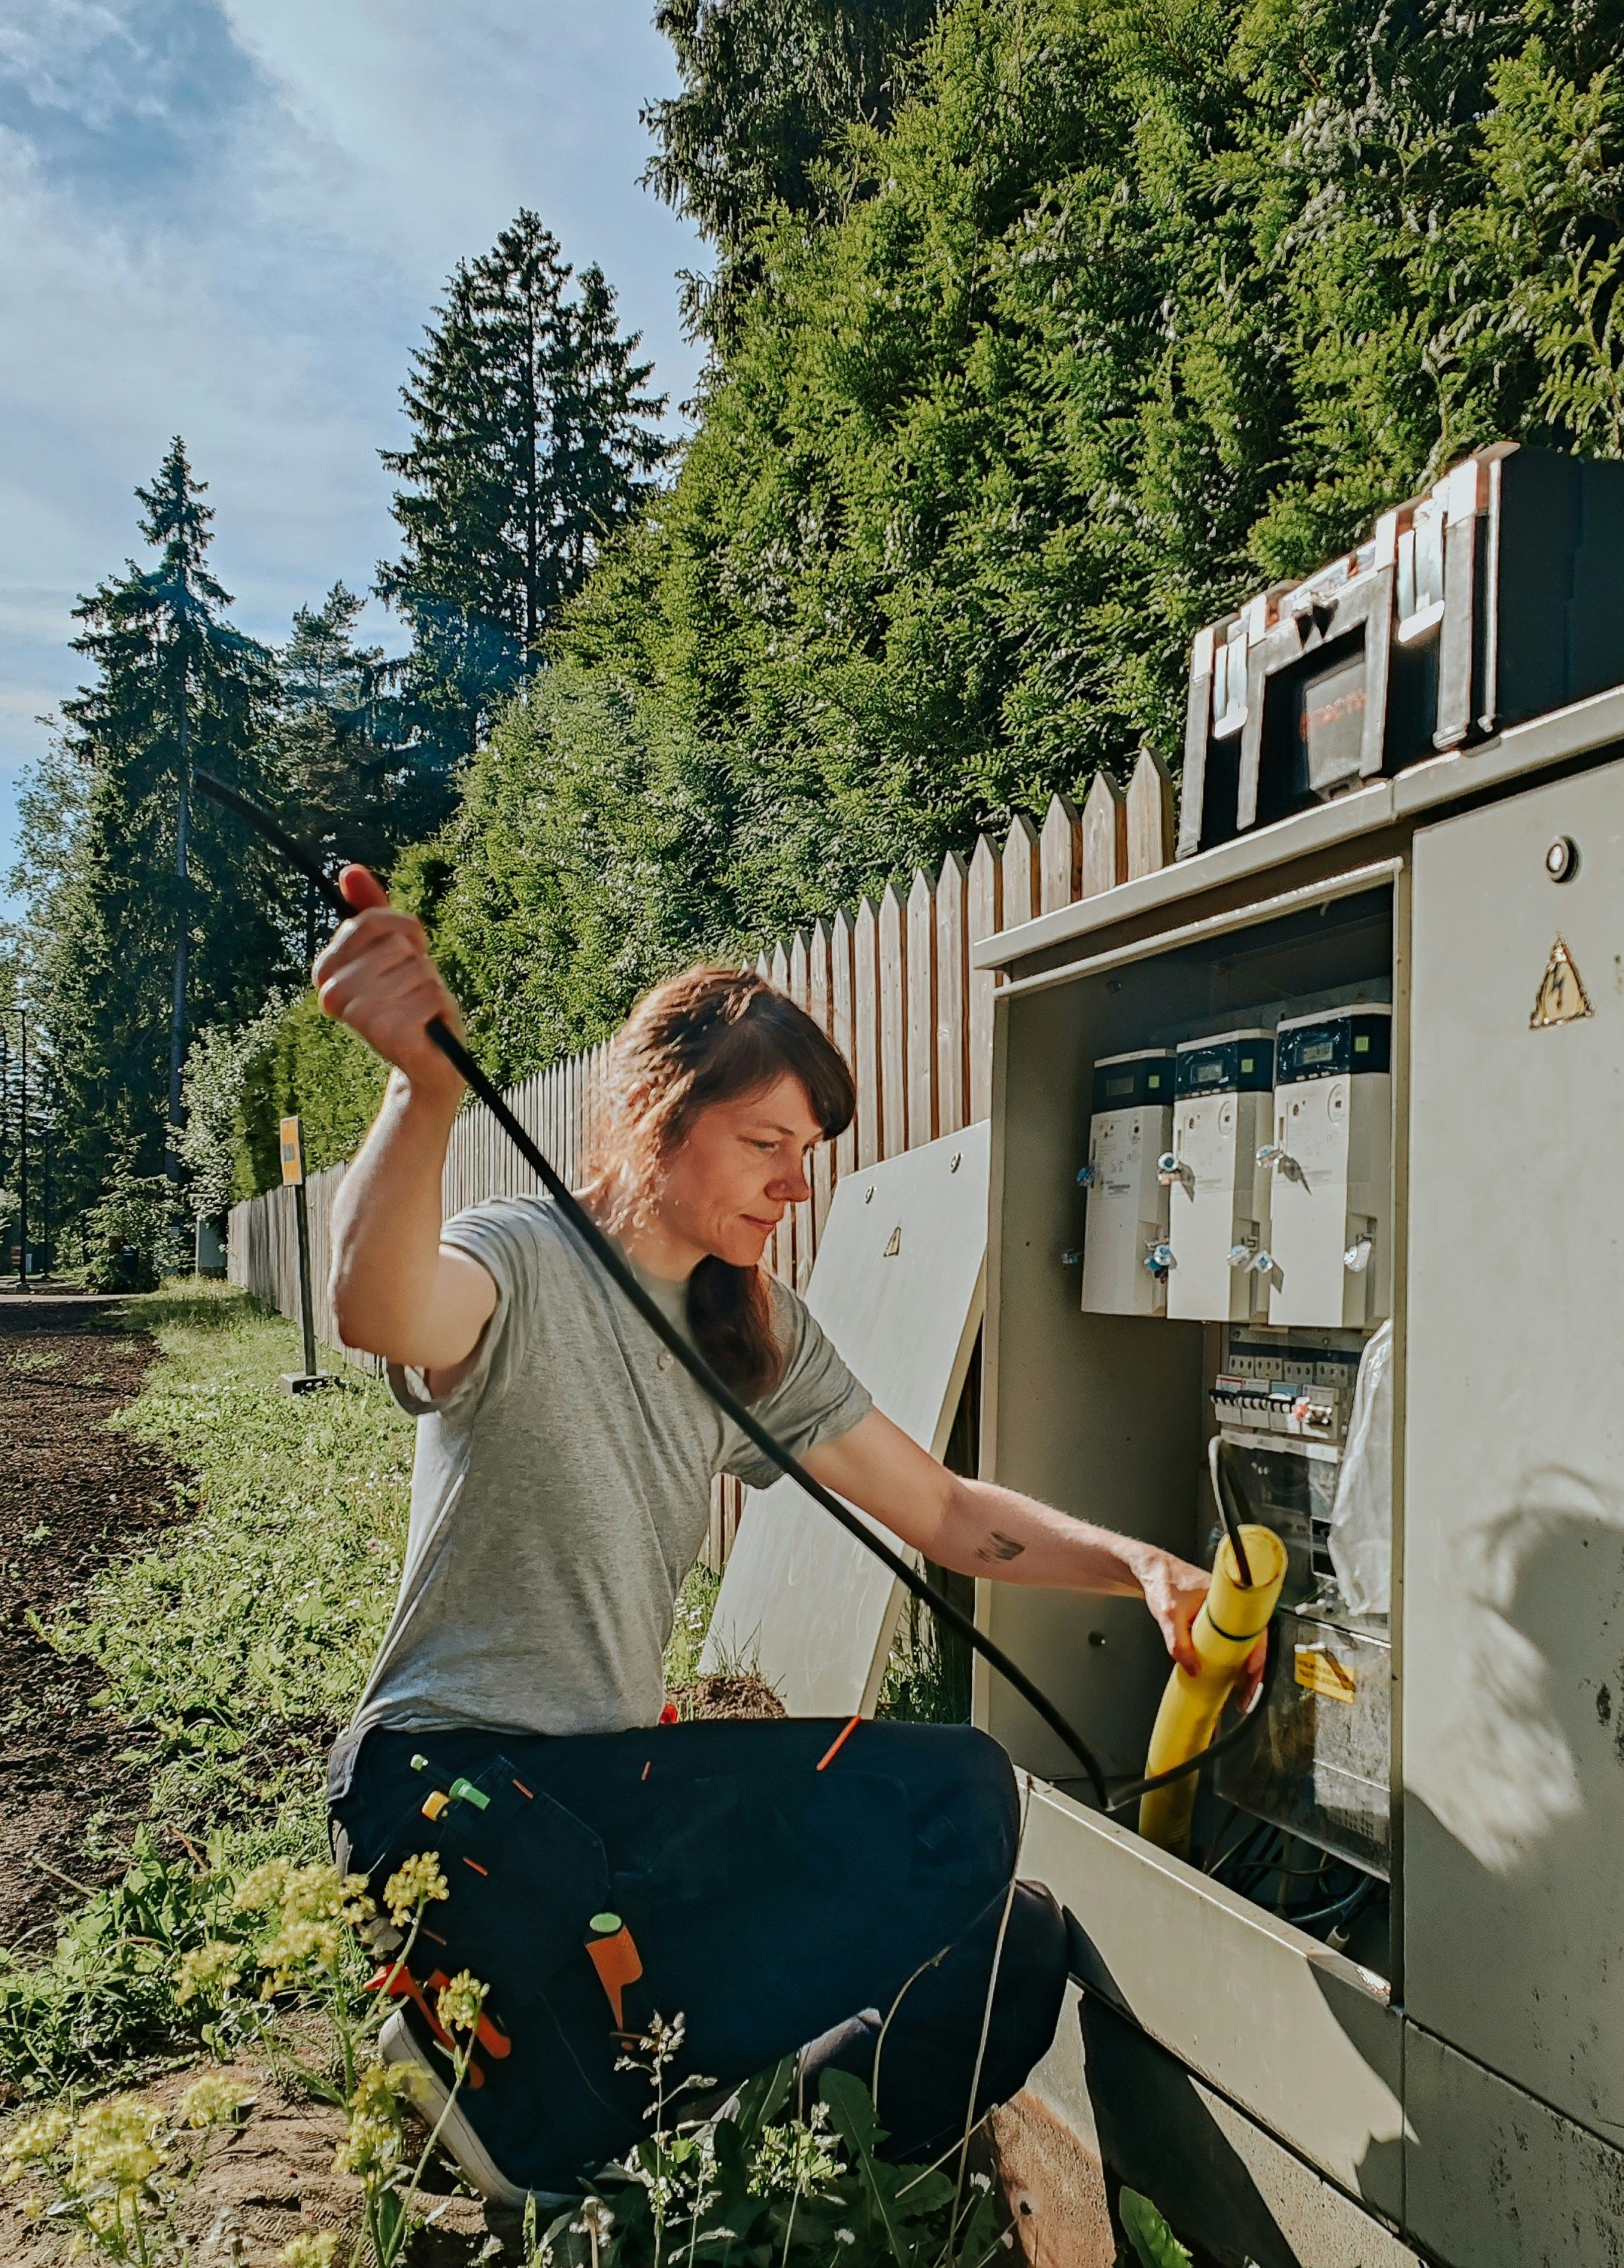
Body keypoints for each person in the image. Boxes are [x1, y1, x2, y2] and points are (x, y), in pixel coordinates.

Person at [309, 866, 1234, 2202]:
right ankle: (546, 2103)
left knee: (1006, 1940)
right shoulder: (518, 1259)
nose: (796, 1186)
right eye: (765, 1144)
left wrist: (1141, 1565)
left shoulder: (754, 1336)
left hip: (603, 1809)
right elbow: (376, 1304)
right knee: (954, 1797)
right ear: (653, 1119)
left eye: (809, 1155)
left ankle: (642, 2124)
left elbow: (951, 1515)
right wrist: (423, 1091)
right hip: (450, 1803)